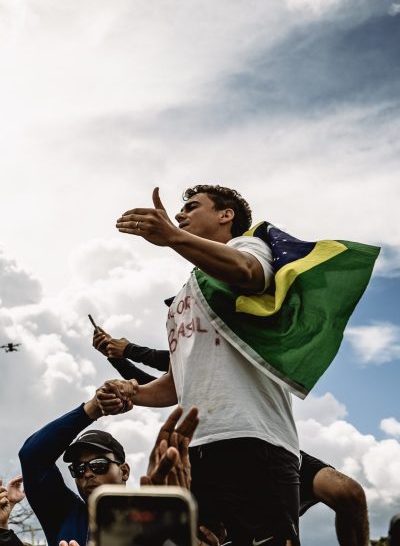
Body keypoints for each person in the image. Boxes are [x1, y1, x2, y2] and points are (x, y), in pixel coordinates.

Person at [99, 184, 301, 546]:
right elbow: (176, 383)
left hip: (253, 440)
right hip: (192, 452)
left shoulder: (250, 247)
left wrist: (173, 237)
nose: (180, 214)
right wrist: (131, 393)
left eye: (192, 207)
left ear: (226, 215)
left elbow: (246, 271)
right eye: (181, 211)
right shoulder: (185, 294)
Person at [92, 332, 370, 546]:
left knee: (349, 493)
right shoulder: (186, 342)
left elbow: (193, 358)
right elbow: (170, 379)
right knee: (213, 535)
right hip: (211, 452)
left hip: (269, 443)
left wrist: (129, 350)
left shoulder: (239, 323)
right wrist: (119, 365)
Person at [18, 390, 199, 546]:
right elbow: (32, 456)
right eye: (79, 469)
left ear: (124, 471)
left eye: (99, 465)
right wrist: (91, 409)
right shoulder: (65, 515)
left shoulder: (152, 521)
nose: (87, 473)